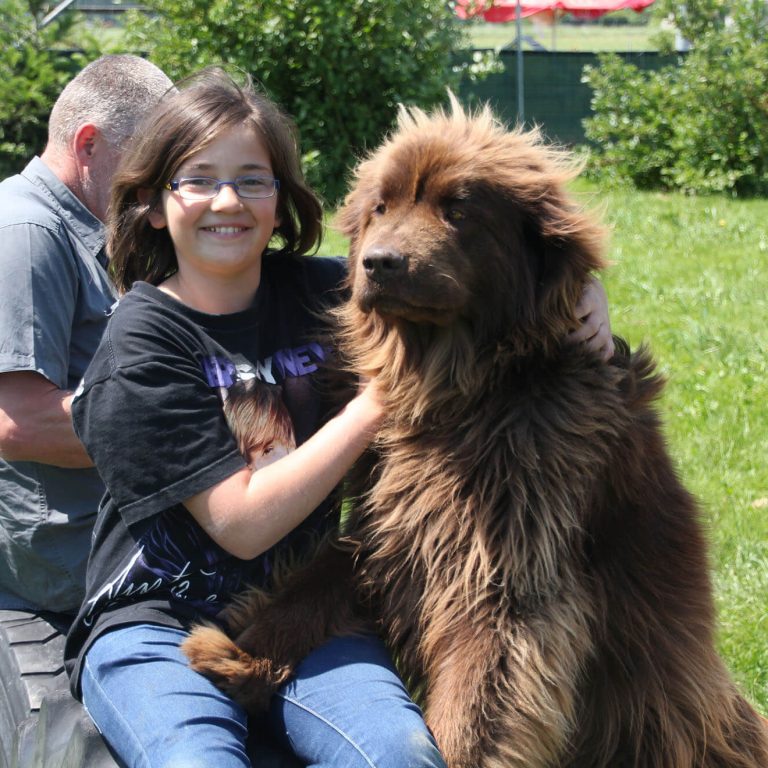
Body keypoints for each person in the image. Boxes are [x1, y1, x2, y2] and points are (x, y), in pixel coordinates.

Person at [64, 69, 615, 768]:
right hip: (152, 624)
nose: (227, 200)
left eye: (253, 179)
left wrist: (579, 289)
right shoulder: (142, 343)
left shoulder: (324, 290)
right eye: (198, 179)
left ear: (281, 198)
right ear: (151, 204)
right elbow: (240, 523)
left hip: (311, 611)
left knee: (399, 756)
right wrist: (381, 399)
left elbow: (480, 258)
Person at [0, 55, 173, 621]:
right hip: (62, 577)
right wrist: (185, 418)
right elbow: (18, 423)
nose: (160, 186)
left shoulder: (80, 224)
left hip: (104, 552)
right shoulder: (29, 232)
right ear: (89, 143)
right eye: (150, 162)